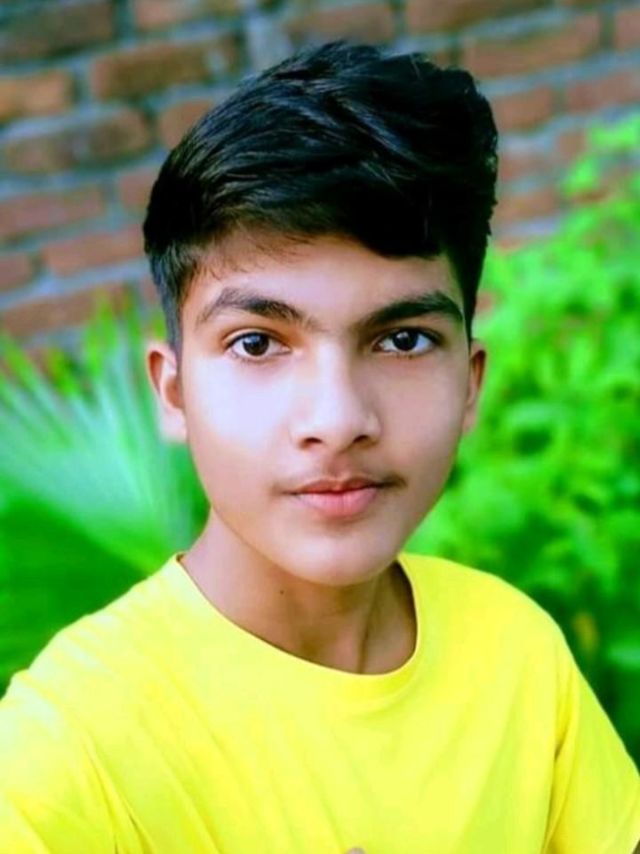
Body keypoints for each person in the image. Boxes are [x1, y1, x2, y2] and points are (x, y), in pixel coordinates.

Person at [0, 39, 638, 853]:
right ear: (174, 392)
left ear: (470, 383)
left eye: (403, 339)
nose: (337, 420)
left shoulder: (515, 652)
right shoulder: (65, 754)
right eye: (257, 344)